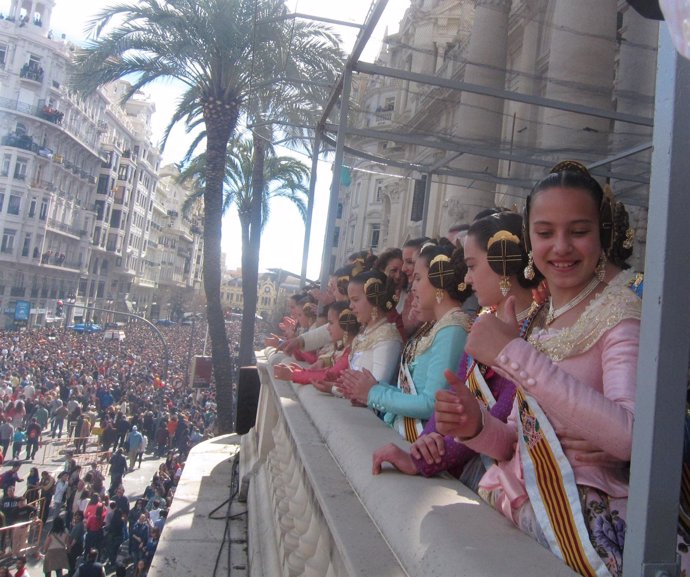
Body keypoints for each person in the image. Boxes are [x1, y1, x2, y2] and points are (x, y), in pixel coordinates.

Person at [434, 161, 643, 577]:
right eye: (545, 233)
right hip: (520, 510)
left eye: (579, 231)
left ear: (601, 233)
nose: (561, 246)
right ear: (530, 239)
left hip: (584, 531)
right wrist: (475, 427)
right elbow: (516, 443)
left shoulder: (622, 311)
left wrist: (512, 353)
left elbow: (628, 437)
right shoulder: (539, 318)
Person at [372, 212, 540, 483]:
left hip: (498, 473)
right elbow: (453, 393)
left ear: (503, 261)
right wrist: (425, 443)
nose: (469, 279)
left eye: (472, 266)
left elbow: (503, 410)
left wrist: (424, 460)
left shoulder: (538, 329)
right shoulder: (484, 321)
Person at [340, 242, 472, 440]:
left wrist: (373, 393)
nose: (413, 286)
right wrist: (369, 389)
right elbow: (411, 393)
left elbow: (431, 404)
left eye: (418, 278)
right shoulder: (437, 326)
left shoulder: (453, 329)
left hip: (420, 437)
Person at [340, 270, 403, 391]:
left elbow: (378, 386)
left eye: (356, 300)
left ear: (374, 299)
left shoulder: (387, 335)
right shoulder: (364, 333)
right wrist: (333, 387)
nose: (350, 306)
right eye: (350, 301)